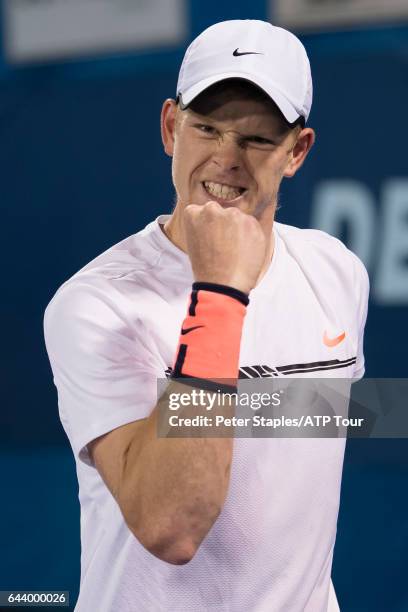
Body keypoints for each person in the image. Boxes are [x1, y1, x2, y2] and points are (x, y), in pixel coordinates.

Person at [44, 19, 369, 612]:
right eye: (207, 128)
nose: (226, 159)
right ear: (171, 127)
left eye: (258, 139)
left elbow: (293, 451)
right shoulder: (95, 304)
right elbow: (173, 525)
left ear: (297, 151)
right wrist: (219, 291)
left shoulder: (337, 271)